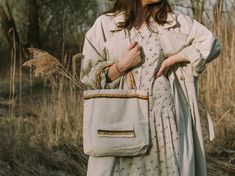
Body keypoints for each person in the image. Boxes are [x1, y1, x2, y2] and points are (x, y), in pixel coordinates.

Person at [80, 0, 221, 175]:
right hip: (122, 125)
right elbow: (87, 76)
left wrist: (178, 57)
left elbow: (212, 44)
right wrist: (120, 66)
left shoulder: (171, 21)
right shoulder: (105, 25)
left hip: (164, 122)